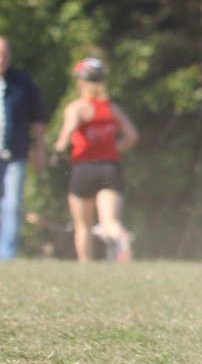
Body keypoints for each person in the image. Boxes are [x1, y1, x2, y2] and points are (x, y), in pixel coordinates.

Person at [52, 57, 138, 262]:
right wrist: (114, 147)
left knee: (83, 226)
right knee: (109, 222)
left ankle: (85, 265)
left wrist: (57, 149)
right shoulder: (112, 108)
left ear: (80, 82)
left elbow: (67, 131)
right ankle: (121, 237)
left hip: (84, 169)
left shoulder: (77, 108)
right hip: (110, 167)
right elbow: (132, 136)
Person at [0, 37, 47, 261]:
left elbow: (37, 118)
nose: (1, 60)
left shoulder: (22, 83)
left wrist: (40, 148)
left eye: (4, 55)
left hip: (15, 154)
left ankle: (6, 256)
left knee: (12, 205)